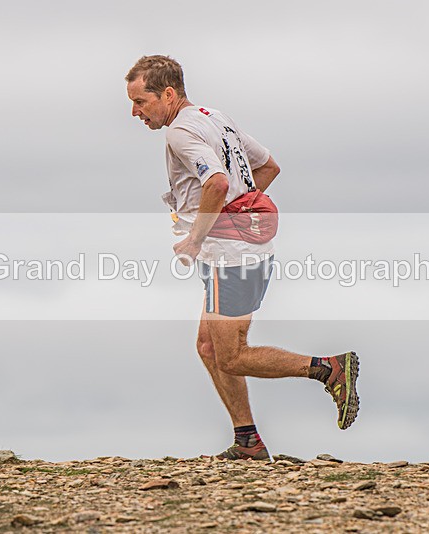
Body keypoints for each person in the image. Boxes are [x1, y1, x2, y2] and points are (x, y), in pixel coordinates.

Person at [125, 55, 359, 461]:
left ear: (167, 93)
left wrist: (200, 237)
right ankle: (248, 440)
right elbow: (268, 166)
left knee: (231, 355)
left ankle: (329, 368)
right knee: (208, 347)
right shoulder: (213, 117)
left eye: (141, 102)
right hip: (238, 249)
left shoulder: (180, 132)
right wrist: (242, 211)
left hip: (230, 257)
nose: (134, 112)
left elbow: (216, 181)